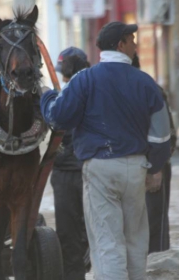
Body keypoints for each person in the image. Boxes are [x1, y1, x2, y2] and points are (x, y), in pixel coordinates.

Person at [40, 21, 171, 280]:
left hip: (100, 169)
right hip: (136, 169)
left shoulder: (84, 80)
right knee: (135, 241)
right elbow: (162, 136)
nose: (135, 44)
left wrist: (46, 97)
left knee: (107, 242)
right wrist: (154, 168)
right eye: (131, 39)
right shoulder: (146, 83)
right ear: (120, 44)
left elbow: (58, 118)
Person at [51, 46, 91, 280]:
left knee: (86, 231)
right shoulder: (60, 95)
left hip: (85, 170)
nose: (64, 78)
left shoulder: (86, 92)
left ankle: (82, 269)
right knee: (69, 233)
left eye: (65, 73)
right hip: (67, 172)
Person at [132, 53, 177, 254]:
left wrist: (156, 168)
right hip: (137, 166)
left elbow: (168, 134)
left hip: (150, 166)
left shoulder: (150, 89)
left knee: (154, 227)